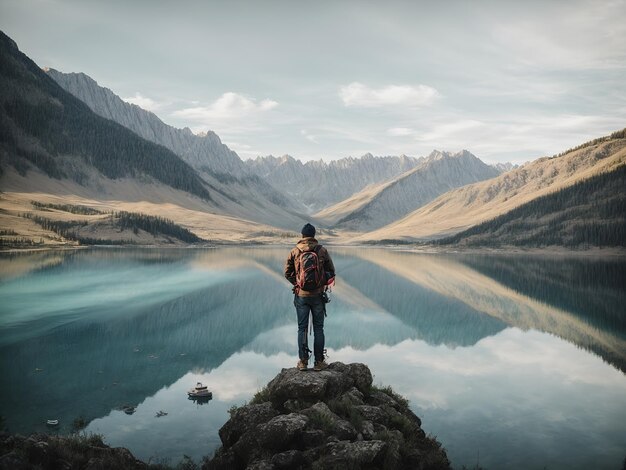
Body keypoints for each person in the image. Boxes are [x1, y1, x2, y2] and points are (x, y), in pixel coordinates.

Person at [284, 223, 335, 372]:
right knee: (319, 328)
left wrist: (298, 283)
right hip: (318, 296)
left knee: (302, 328)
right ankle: (319, 362)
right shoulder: (322, 251)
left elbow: (287, 273)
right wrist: (321, 283)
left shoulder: (295, 251)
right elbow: (331, 272)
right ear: (314, 235)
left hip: (301, 296)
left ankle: (303, 362)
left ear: (302, 235)